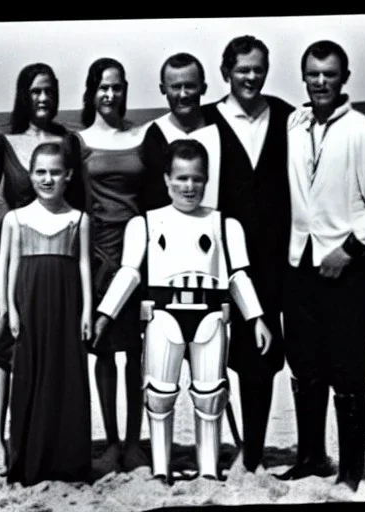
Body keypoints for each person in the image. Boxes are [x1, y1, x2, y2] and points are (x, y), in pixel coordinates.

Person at [93, 139, 272, 483]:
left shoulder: (225, 225)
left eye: (197, 179)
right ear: (166, 179)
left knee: (211, 395)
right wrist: (106, 313)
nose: (189, 187)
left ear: (207, 180)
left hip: (209, 316)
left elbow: (238, 276)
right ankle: (161, 469)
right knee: (159, 395)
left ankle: (208, 469)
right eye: (181, 178)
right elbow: (129, 273)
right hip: (163, 315)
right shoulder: (144, 224)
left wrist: (257, 318)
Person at [279, 40, 365, 491]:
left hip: (345, 269)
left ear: (345, 77)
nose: (321, 82)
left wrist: (346, 251)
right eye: (313, 74)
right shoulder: (294, 125)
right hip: (299, 263)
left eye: (330, 74)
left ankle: (350, 474)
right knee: (304, 364)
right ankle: (312, 458)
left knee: (349, 367)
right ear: (304, 77)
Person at [0, 63, 86, 473]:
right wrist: (6, 233)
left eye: (49, 91)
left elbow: (79, 201)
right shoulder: (3, 144)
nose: (42, 98)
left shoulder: (68, 141)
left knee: (49, 350)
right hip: (19, 259)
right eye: (35, 92)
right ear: (24, 96)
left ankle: (50, 439)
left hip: (57, 262)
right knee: (2, 345)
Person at [201, 35, 294, 473]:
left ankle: (251, 452)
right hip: (219, 258)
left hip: (276, 260)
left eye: (258, 69)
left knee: (263, 354)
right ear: (226, 73)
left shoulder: (288, 117)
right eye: (243, 70)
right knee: (215, 353)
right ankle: (214, 449)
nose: (252, 77)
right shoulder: (204, 121)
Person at [0, 141, 92, 486]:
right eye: (41, 172)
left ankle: (67, 463)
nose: (48, 178)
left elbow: (84, 265)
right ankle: (28, 460)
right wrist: (8, 308)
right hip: (30, 305)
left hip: (67, 306)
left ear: (68, 175)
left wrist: (87, 311)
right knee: (29, 376)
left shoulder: (78, 219)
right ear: (30, 175)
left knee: (66, 375)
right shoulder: (16, 218)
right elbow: (10, 267)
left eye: (55, 172)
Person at [77, 57, 151, 474]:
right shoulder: (80, 141)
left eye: (117, 87)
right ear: (92, 92)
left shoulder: (142, 136)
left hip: (140, 253)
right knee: (104, 354)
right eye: (102, 87)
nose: (110, 94)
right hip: (99, 254)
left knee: (138, 353)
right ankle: (110, 442)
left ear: (125, 89)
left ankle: (135, 443)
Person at [142, 52, 221, 210]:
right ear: (163, 89)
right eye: (176, 87)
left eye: (190, 86)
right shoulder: (151, 136)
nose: (183, 94)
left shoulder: (223, 129)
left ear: (203, 88)